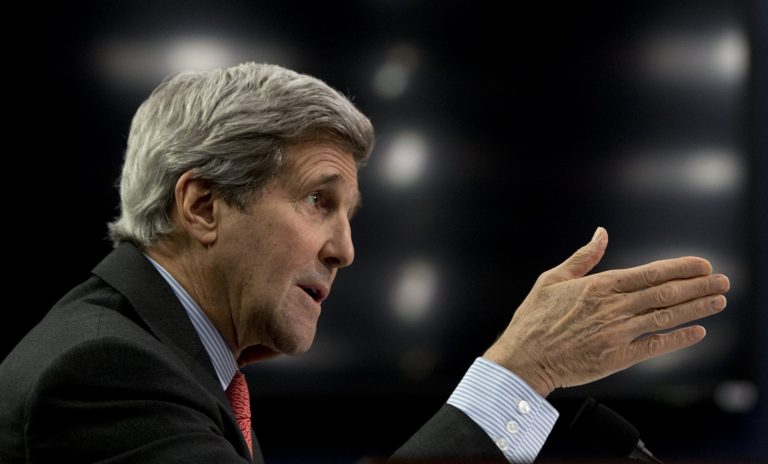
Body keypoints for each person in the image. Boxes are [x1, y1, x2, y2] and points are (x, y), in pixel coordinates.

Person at [0, 62, 730, 464]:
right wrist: (521, 373)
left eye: (349, 215)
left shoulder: (172, 361)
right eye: (320, 200)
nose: (345, 249)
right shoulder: (103, 373)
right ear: (202, 207)